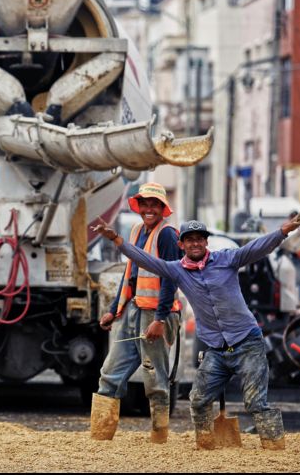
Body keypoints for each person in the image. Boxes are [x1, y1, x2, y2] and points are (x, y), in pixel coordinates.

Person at [94, 211, 300, 450]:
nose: (195, 243)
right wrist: (116, 239)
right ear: (181, 244)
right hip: (216, 350)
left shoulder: (228, 259)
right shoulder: (176, 270)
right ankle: (206, 446)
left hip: (247, 343)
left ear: (206, 242)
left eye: (199, 238)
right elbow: (145, 260)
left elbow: (258, 247)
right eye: (190, 239)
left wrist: (284, 230)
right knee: (197, 400)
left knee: (256, 402)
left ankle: (275, 449)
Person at [90, 183, 182, 444]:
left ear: (163, 209)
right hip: (133, 311)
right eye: (145, 204)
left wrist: (160, 319)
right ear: (139, 207)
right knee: (110, 372)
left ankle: (159, 437)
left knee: (154, 378)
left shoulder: (167, 235)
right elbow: (129, 274)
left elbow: (170, 279)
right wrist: (112, 310)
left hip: (156, 315)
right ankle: (100, 436)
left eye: (155, 204)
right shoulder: (136, 230)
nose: (149, 209)